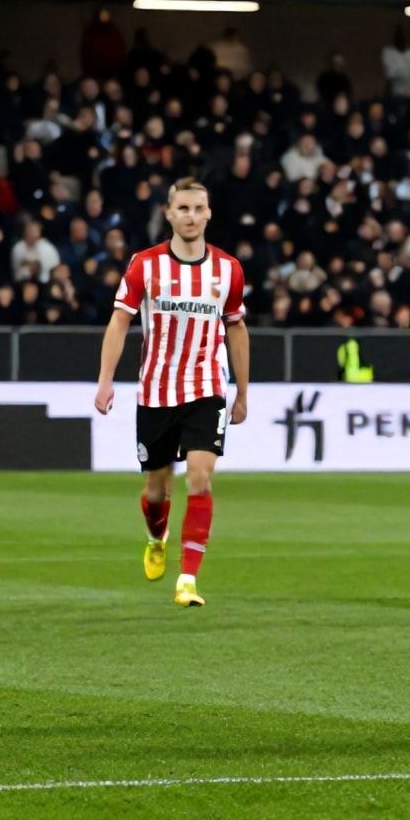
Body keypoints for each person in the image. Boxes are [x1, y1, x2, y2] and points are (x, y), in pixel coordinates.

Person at [94, 178, 249, 607]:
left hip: (207, 388)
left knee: (200, 477)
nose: (191, 216)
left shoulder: (228, 269)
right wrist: (105, 380)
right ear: (169, 213)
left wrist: (242, 392)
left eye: (198, 209)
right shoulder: (145, 265)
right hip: (156, 391)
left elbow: (236, 327)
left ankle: (188, 580)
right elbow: (120, 320)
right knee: (157, 489)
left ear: (209, 214)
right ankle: (155, 535)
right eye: (183, 208)